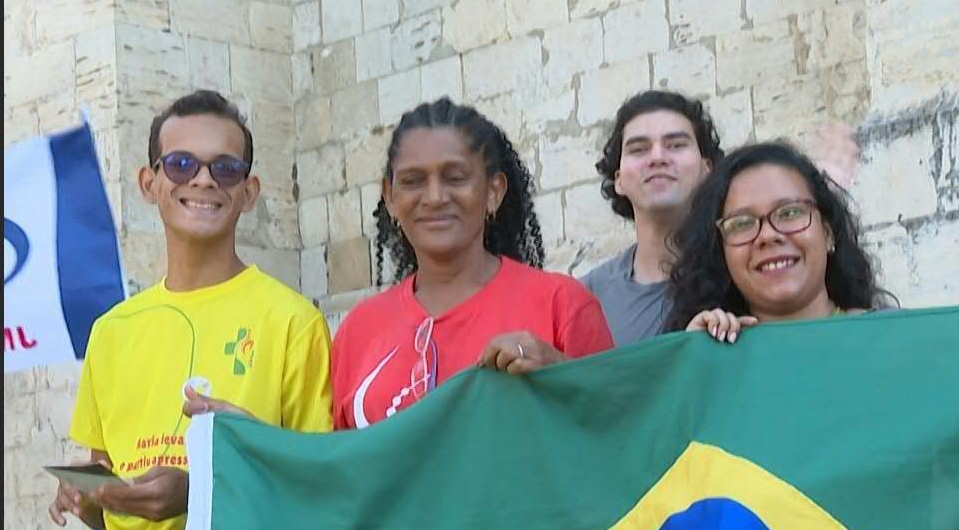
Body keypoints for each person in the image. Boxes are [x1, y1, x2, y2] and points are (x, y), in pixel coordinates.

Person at [21, 89, 332, 530]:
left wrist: (210, 483)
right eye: (182, 165)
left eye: (224, 168)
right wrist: (89, 498)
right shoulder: (112, 330)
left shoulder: (291, 321)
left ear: (249, 191)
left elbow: (317, 485)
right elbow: (106, 478)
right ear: (150, 182)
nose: (203, 182)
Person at [332, 97, 613, 429]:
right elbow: (339, 468)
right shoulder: (358, 330)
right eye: (412, 181)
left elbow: (619, 434)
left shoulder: (562, 305)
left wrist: (562, 376)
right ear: (390, 197)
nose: (435, 197)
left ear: (494, 191)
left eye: (455, 177)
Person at [667, 140, 894, 341]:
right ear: (721, 252)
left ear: (827, 233)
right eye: (741, 223)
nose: (768, 235)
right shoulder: (712, 360)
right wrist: (693, 363)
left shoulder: (895, 339)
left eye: (790, 213)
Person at [581, 90, 725, 345]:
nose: (658, 158)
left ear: (706, 169)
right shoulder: (587, 297)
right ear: (618, 181)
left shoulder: (742, 270)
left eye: (676, 145)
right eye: (638, 149)